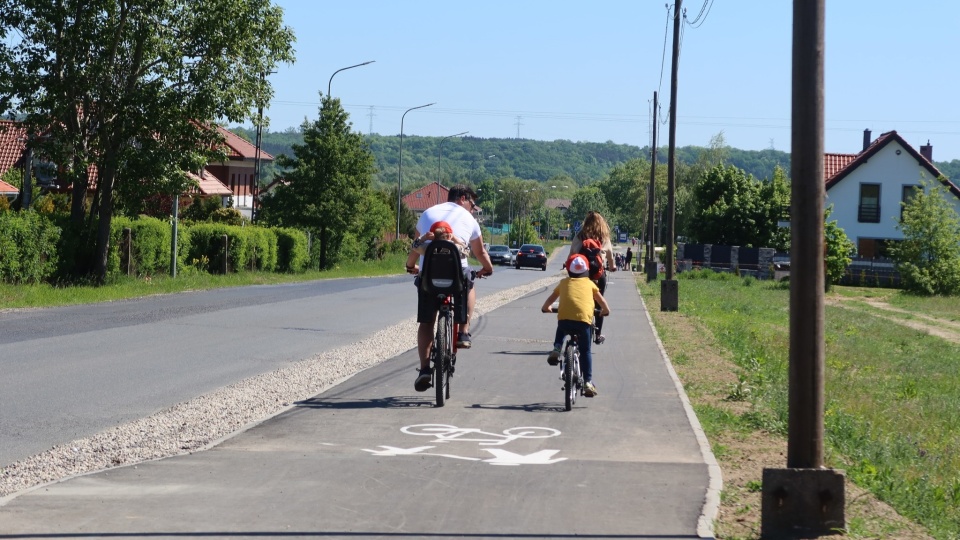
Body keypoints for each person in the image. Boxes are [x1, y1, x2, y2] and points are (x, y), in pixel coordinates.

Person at [405, 184, 494, 392]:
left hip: (429, 277)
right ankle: (463, 332)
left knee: (427, 322)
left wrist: (411, 267)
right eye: (472, 203)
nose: (473, 208)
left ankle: (424, 369)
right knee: (469, 281)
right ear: (462, 198)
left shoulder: (427, 213)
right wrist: (488, 269)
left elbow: (416, 247)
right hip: (456, 278)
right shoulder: (469, 219)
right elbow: (480, 252)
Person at [541, 253, 611, 397]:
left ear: (568, 269)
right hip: (583, 322)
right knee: (585, 351)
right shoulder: (590, 284)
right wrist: (604, 311)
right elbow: (603, 304)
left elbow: (547, 304)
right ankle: (588, 382)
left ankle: (557, 348)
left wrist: (547, 309)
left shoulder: (563, 283)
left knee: (562, 326)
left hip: (565, 320)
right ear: (587, 270)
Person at [570, 210, 616, 344]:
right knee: (599, 303)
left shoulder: (580, 236)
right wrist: (612, 266)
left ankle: (574, 329)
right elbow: (610, 258)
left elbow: (572, 254)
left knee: (577, 300)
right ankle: (598, 334)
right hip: (598, 275)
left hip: (581, 275)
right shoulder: (604, 238)